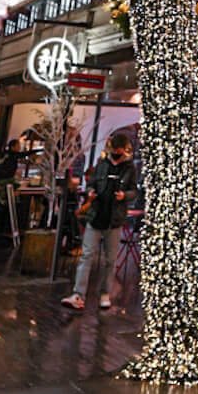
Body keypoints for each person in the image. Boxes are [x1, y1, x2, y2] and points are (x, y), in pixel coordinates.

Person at [62, 133, 136, 313]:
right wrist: (91, 192)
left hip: (114, 218)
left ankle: (105, 293)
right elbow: (91, 183)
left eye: (119, 152)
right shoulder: (102, 165)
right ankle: (78, 294)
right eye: (115, 151)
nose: (116, 155)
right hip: (96, 216)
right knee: (87, 255)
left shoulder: (129, 168)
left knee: (110, 259)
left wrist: (124, 196)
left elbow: (133, 190)